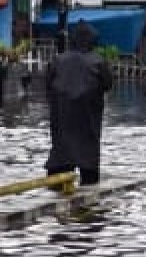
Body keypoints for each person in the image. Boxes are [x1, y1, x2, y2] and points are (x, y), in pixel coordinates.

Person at [46, 22, 112, 186]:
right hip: (87, 120)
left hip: (62, 119)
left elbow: (48, 85)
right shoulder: (98, 62)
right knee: (89, 171)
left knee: (60, 159)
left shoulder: (58, 61)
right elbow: (108, 84)